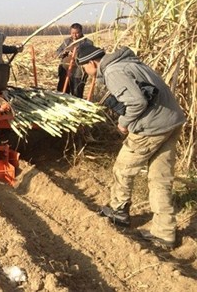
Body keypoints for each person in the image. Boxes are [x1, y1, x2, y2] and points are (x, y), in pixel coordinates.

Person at [77, 45, 186, 250]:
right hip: (171, 122)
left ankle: (119, 211)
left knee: (123, 168)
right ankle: (165, 233)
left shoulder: (113, 71)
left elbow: (136, 102)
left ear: (92, 63)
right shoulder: (129, 62)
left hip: (151, 127)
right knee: (160, 178)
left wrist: (123, 122)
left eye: (84, 68)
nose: (85, 73)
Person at [56, 23, 93, 98]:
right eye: (73, 33)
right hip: (65, 70)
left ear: (81, 32)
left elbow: (89, 56)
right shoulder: (67, 41)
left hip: (78, 71)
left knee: (77, 92)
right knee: (62, 91)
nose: (75, 35)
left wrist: (76, 53)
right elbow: (58, 52)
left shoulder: (87, 42)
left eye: (77, 33)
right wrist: (63, 53)